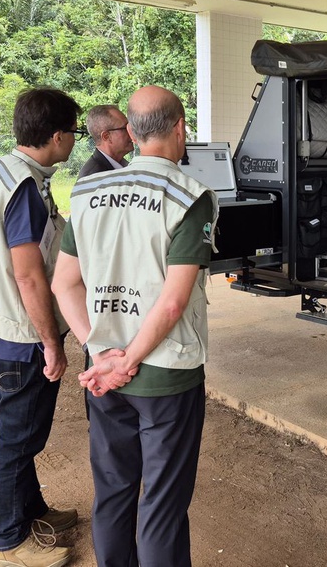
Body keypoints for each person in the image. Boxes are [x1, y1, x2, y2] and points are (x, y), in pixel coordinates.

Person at [52, 85, 216, 567]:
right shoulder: (189, 197)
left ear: (134, 131)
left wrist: (104, 355)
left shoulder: (86, 191)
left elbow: (65, 285)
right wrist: (133, 359)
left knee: (113, 490)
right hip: (166, 374)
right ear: (180, 128)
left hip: (103, 375)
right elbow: (170, 303)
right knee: (162, 506)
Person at [0, 87, 81, 567]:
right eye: (73, 133)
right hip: (18, 333)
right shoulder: (26, 191)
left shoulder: (2, 170)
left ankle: (32, 511)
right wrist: (50, 342)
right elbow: (28, 274)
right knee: (17, 438)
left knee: (21, 431)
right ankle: (10, 544)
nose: (76, 141)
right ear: (56, 136)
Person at [78, 104, 132, 178]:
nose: (131, 131)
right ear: (106, 136)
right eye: (124, 128)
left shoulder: (123, 165)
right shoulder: (93, 177)